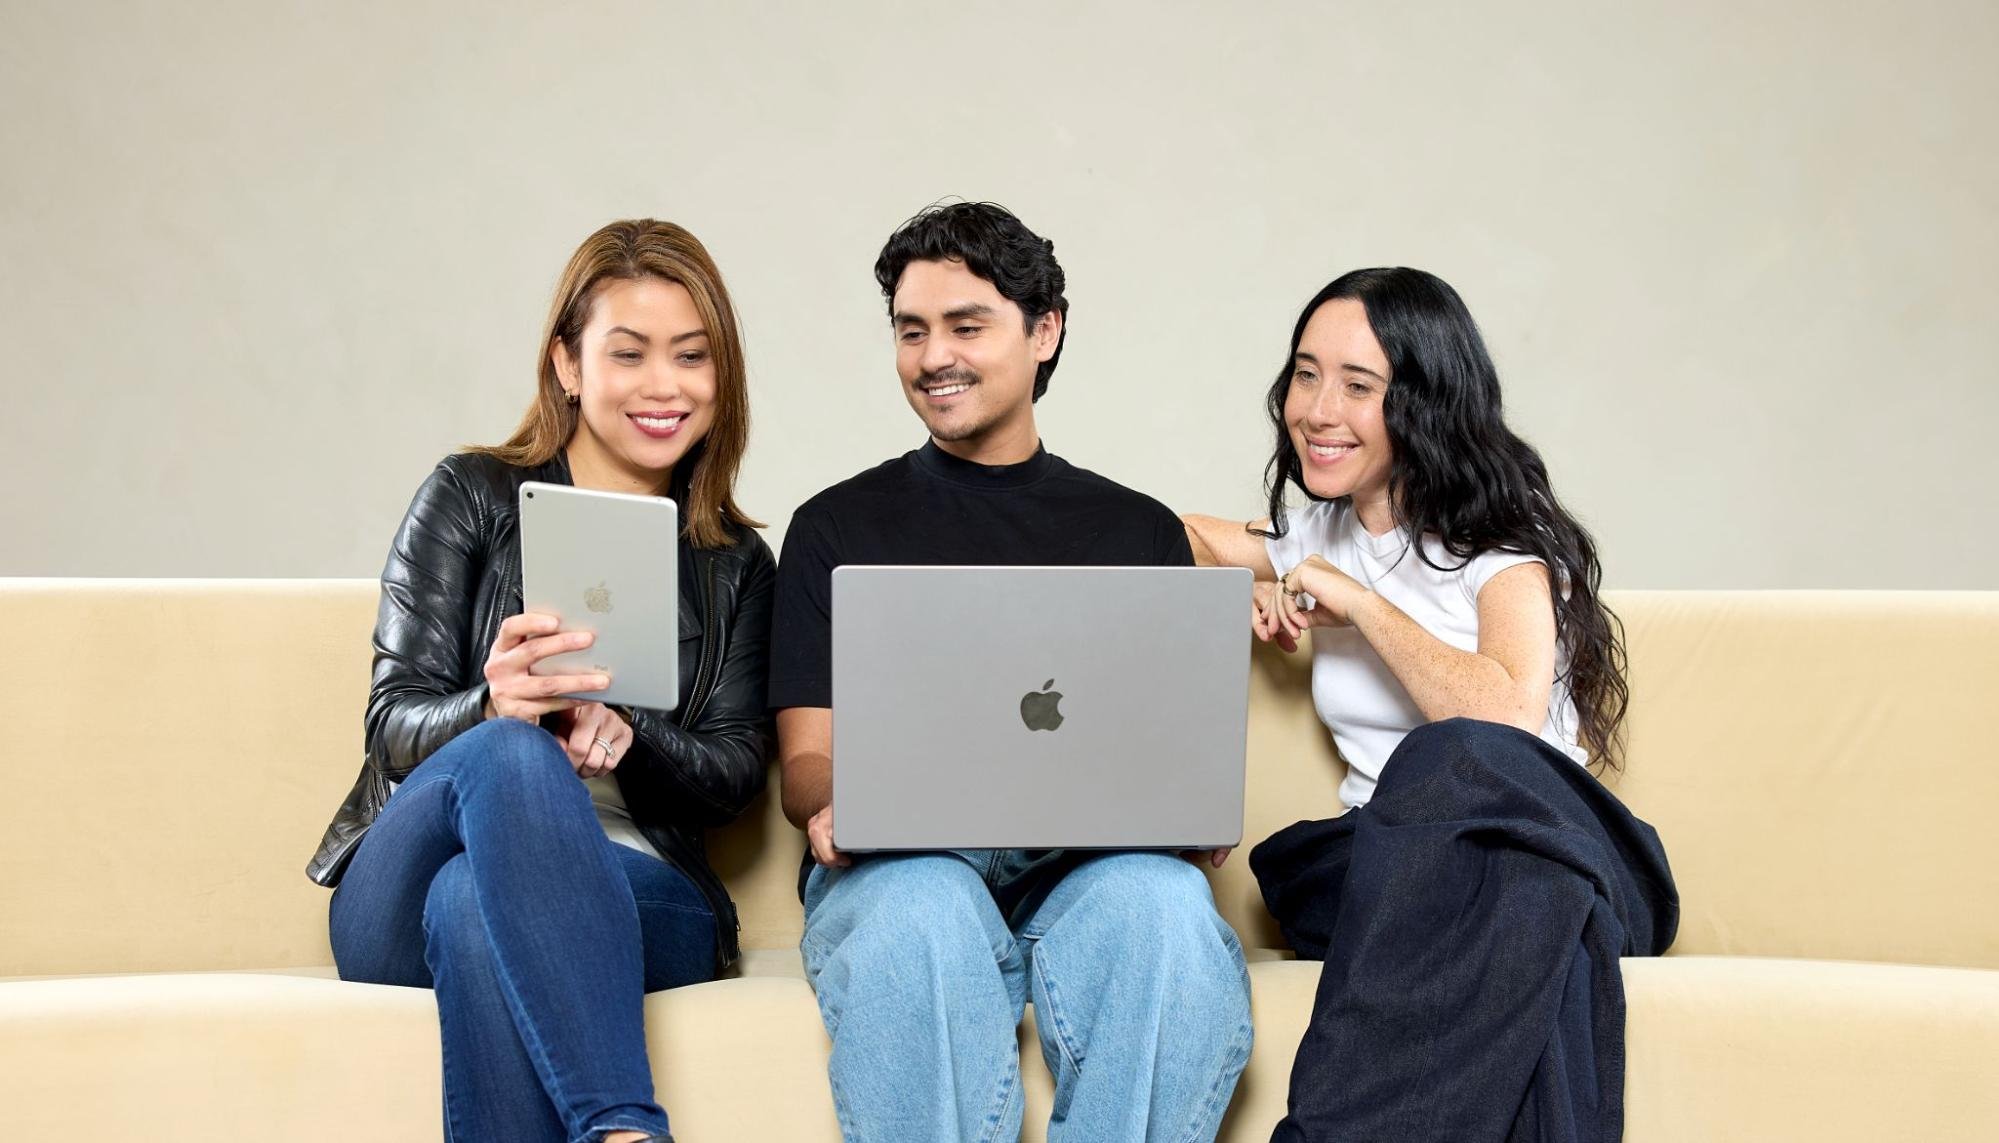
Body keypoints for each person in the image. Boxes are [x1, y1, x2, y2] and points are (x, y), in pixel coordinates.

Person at [770, 201, 1253, 1142]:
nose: (932, 356)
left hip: (1088, 875)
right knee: (921, 915)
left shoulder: (1137, 531)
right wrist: (834, 805)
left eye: (965, 325)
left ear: (1043, 331)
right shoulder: (834, 527)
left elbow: (1165, 746)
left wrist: (1187, 811)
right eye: (911, 331)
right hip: (901, 869)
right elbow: (804, 759)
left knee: (1164, 909)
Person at [305, 219, 776, 1143]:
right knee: (510, 754)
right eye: (628, 352)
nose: (663, 385)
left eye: (692, 356)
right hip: (405, 879)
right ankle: (625, 1127)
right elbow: (391, 721)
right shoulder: (470, 494)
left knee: (479, 906)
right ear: (566, 363)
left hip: (637, 885)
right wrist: (494, 706)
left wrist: (629, 731)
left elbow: (735, 773)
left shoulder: (734, 563)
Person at [1182, 268, 1677, 1143]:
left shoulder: (1501, 539)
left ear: (1424, 403)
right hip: (1402, 874)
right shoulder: (1314, 534)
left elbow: (1506, 720)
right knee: (1329, 869)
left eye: (1358, 386)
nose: (1317, 408)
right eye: (1304, 373)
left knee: (1446, 764)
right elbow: (1165, 533)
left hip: (1563, 842)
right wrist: (1245, 588)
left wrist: (1361, 604)